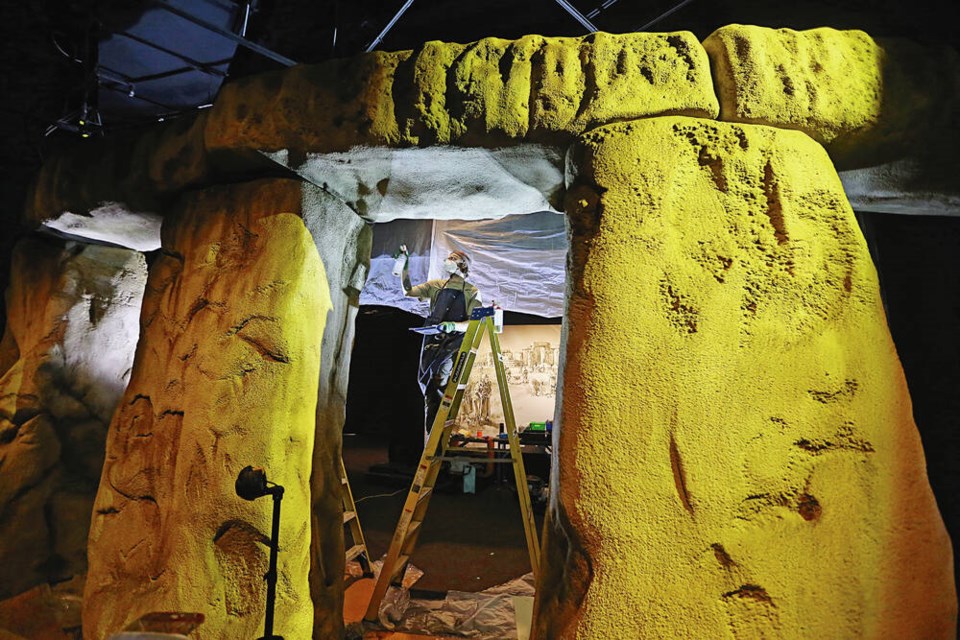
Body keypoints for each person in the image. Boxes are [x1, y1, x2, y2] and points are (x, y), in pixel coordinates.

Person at [397, 245, 483, 442]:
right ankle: (434, 435)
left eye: (453, 258)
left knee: (439, 382)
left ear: (462, 264)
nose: (448, 261)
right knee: (426, 383)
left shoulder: (472, 292)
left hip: (452, 341)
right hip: (432, 339)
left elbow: (473, 324)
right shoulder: (436, 285)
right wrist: (404, 266)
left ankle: (438, 435)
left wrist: (453, 325)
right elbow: (408, 292)